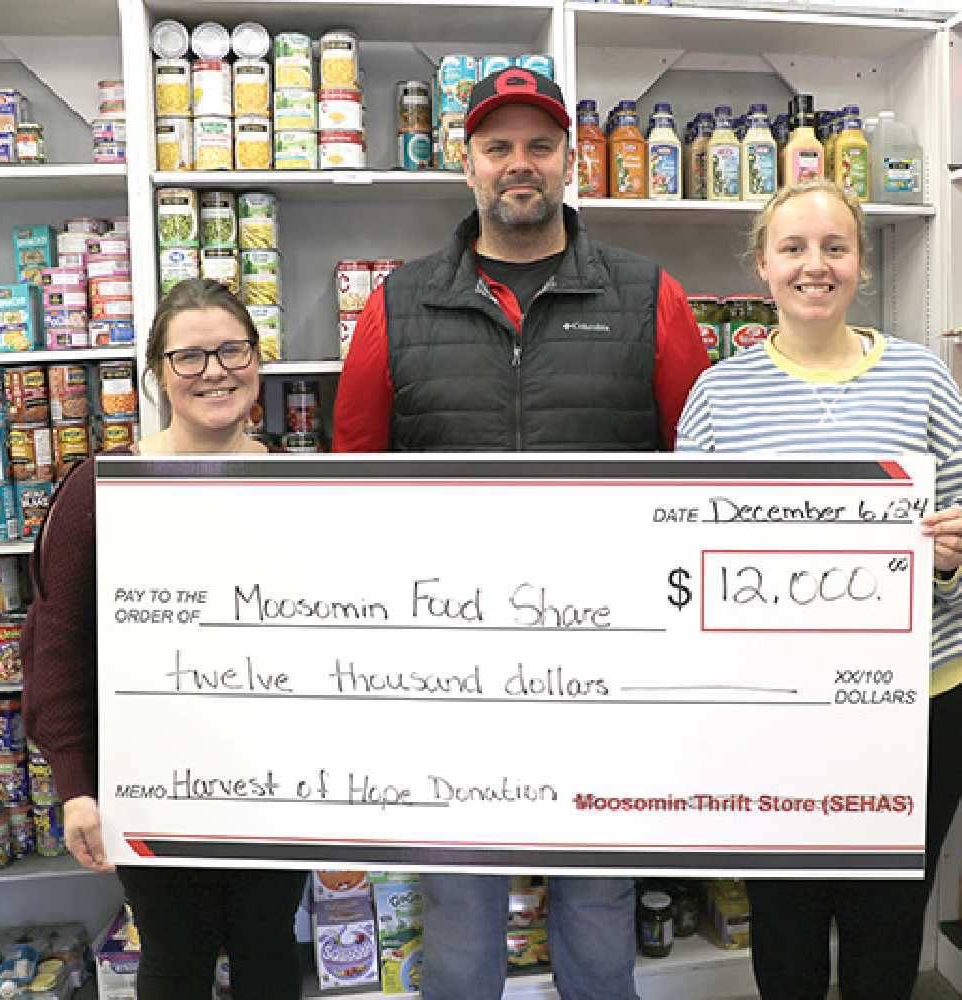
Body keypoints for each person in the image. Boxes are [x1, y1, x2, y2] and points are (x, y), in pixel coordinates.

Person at [332, 69, 710, 999]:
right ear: (466, 167)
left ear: (569, 160)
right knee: (460, 909)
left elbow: (703, 474)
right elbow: (349, 482)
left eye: (539, 145)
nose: (519, 164)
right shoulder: (397, 305)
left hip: (607, 668)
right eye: (497, 146)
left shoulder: (649, 295)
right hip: (447, 670)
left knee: (595, 897)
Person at [674, 179, 962, 1000]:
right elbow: (680, 548)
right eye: (793, 248)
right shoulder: (718, 394)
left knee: (888, 928)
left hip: (920, 705)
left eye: (835, 247)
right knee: (782, 923)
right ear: (763, 266)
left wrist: (958, 553)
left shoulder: (922, 379)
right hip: (775, 716)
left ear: (861, 266)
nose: (815, 266)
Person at [24, 279, 306, 999]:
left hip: (276, 778)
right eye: (190, 357)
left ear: (258, 361)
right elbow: (57, 643)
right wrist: (75, 786)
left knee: (269, 945)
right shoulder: (100, 489)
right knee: (177, 955)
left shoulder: (305, 485)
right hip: (153, 778)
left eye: (232, 350)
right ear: (157, 373)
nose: (215, 370)